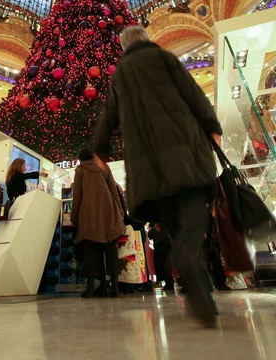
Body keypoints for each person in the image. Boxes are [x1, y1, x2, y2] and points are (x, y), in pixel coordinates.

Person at [94, 25, 223, 327]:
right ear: (147, 40)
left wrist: (99, 149)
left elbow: (108, 115)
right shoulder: (165, 59)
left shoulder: (121, 73)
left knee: (174, 227)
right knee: (193, 216)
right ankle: (192, 261)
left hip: (148, 168)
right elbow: (193, 94)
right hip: (185, 154)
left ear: (124, 47)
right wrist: (211, 125)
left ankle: (198, 287)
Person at [70, 148, 124, 298]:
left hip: (89, 216)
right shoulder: (104, 168)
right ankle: (115, 287)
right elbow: (114, 191)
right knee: (111, 249)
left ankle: (91, 287)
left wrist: (74, 218)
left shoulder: (80, 171)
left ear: (81, 159)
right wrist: (119, 211)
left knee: (91, 251)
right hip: (109, 213)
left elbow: (77, 197)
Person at [148, 223, 174, 291]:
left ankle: (169, 282)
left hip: (166, 246)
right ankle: (165, 282)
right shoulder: (153, 229)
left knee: (167, 265)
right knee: (159, 264)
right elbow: (150, 235)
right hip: (159, 248)